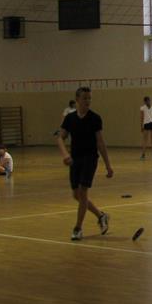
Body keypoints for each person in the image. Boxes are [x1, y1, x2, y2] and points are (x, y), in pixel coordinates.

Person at [57, 86, 114, 241]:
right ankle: (101, 216)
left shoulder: (95, 118)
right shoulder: (70, 118)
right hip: (75, 159)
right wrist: (65, 155)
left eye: (89, 98)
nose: (88, 101)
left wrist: (108, 165)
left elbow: (100, 142)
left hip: (90, 158)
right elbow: (60, 138)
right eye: (85, 98)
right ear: (77, 100)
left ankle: (78, 228)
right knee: (76, 194)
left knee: (83, 192)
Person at [139, 96, 152, 160]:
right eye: (149, 100)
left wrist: (141, 126)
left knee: (145, 140)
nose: (149, 101)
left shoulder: (143, 108)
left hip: (147, 124)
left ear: (144, 101)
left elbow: (142, 117)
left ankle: (143, 155)